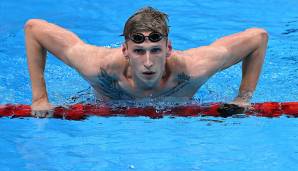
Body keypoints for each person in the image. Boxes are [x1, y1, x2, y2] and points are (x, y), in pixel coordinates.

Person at [25, 7, 268, 116]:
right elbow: (34, 29)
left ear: (168, 48)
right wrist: (40, 98)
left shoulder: (194, 68)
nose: (149, 62)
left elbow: (258, 37)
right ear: (125, 51)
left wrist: (243, 98)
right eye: (139, 51)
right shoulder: (97, 67)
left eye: (155, 50)